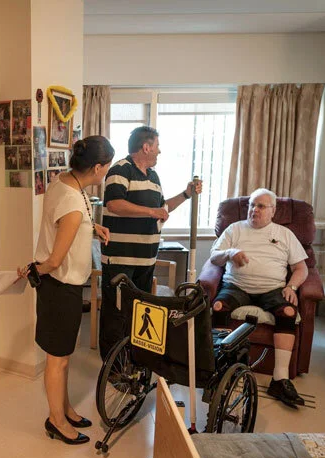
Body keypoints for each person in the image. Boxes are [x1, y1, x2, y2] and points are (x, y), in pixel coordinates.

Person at [18, 136, 114, 445]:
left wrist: (91, 228)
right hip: (61, 287)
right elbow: (55, 260)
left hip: (61, 286)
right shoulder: (73, 204)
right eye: (107, 167)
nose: (107, 172)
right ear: (97, 168)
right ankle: (56, 421)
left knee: (63, 355)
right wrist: (34, 269)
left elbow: (66, 221)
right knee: (57, 359)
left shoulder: (64, 181)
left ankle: (65, 409)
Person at [99, 126, 202, 359]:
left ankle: (134, 358)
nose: (159, 151)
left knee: (139, 311)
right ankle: (112, 365)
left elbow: (162, 208)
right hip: (121, 258)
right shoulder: (120, 170)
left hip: (145, 259)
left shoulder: (153, 176)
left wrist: (186, 194)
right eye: (157, 146)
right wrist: (151, 211)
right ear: (146, 147)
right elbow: (114, 204)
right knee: (116, 312)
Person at [209, 188, 308, 408]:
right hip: (237, 286)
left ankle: (280, 379)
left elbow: (301, 268)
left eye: (261, 206)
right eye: (252, 205)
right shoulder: (234, 229)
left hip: (272, 289)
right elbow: (214, 257)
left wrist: (292, 286)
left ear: (273, 210)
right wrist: (229, 253)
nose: (254, 209)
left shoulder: (284, 234)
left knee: (288, 312)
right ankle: (221, 369)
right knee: (218, 306)